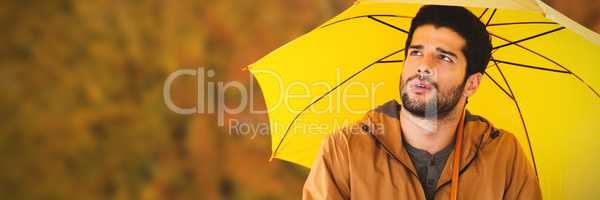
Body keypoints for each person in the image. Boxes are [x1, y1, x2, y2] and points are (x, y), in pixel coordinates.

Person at [302, 5, 542, 200]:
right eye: (416, 52)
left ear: (472, 84)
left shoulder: (504, 156)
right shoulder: (344, 150)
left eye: (444, 57)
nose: (424, 66)